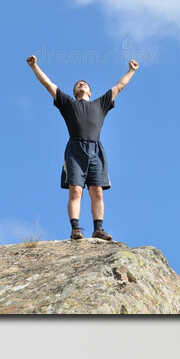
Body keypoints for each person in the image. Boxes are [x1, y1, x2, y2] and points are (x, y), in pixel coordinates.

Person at [25, 55, 138, 241]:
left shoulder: (100, 104)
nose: (81, 84)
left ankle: (98, 229)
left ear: (90, 92)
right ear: (75, 91)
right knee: (75, 190)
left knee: (97, 191)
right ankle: (75, 229)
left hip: (96, 151)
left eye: (84, 84)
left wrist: (131, 71)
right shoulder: (68, 104)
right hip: (75, 150)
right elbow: (49, 85)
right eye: (78, 84)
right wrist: (34, 66)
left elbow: (119, 86)